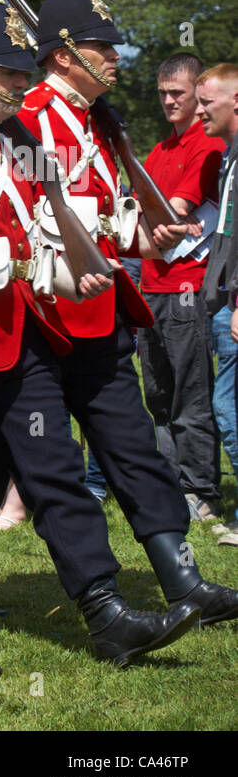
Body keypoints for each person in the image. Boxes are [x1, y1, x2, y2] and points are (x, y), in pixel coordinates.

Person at [0, 0, 202, 664]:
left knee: (56, 473)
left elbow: (32, 244)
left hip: (24, 338)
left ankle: (104, 611)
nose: (21, 85)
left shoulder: (12, 146)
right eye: (6, 71)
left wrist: (71, 276)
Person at [139, 53, 226, 521]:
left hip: (186, 288)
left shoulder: (205, 147)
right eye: (163, 93)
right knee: (157, 395)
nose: (169, 101)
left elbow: (169, 213)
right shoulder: (158, 150)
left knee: (189, 397)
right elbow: (140, 216)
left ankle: (202, 490)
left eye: (179, 93)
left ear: (200, 95)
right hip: (149, 285)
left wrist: (157, 219)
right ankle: (171, 484)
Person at [196, 64, 238, 545]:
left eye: (208, 102)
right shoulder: (229, 155)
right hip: (221, 300)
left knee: (228, 407)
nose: (199, 109)